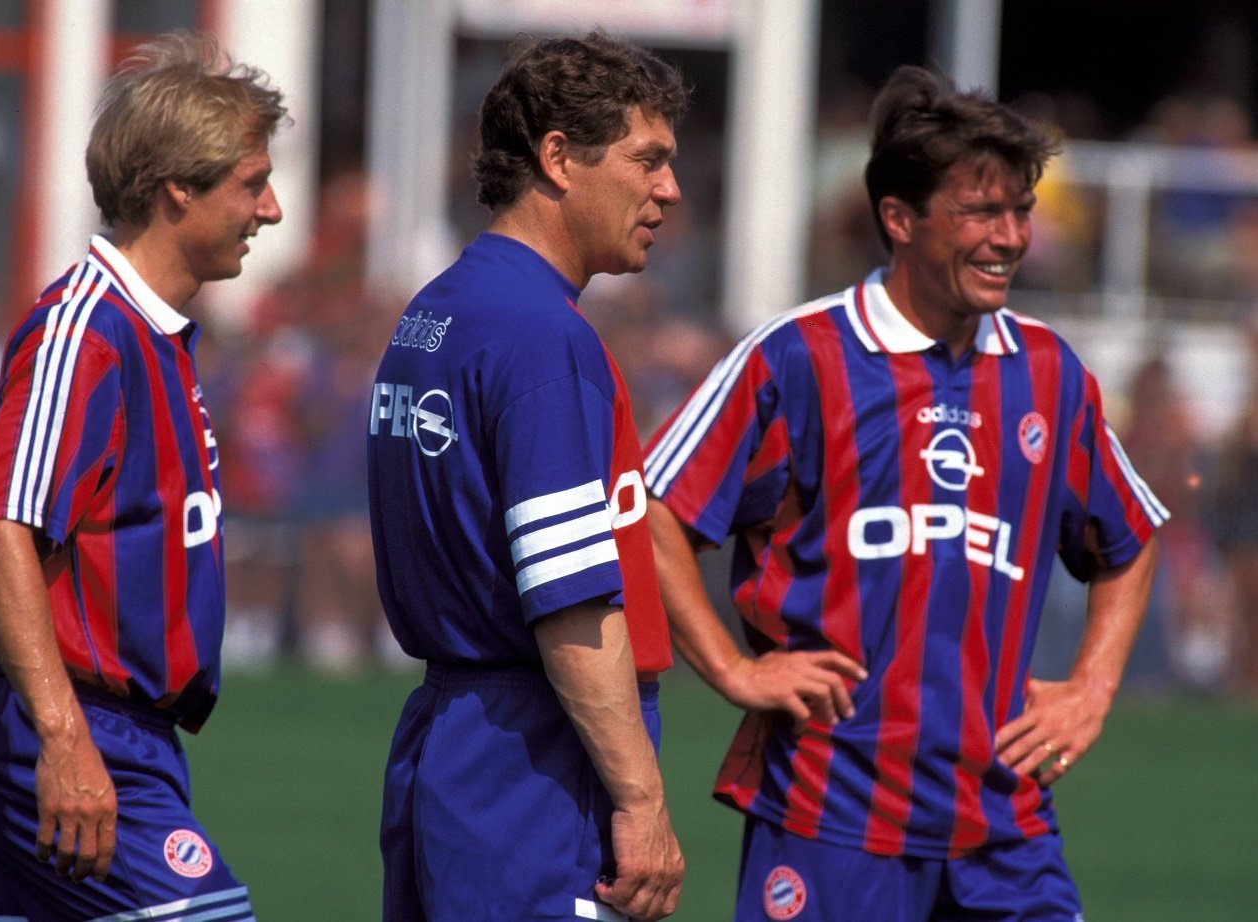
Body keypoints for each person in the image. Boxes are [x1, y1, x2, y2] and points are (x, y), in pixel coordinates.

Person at [644, 65, 1167, 921]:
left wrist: (1091, 688)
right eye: (979, 212)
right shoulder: (799, 357)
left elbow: (1130, 536)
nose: (1009, 237)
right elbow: (657, 511)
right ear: (899, 219)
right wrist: (737, 670)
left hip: (1003, 824)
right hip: (831, 815)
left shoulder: (1047, 374)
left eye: (1020, 212)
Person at [0, 31, 285, 921]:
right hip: (67, 732)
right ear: (180, 187)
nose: (273, 210)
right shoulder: (86, 332)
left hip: (128, 739)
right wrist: (65, 741)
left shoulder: (157, 336)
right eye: (252, 184)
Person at [367, 31, 687, 922]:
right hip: (533, 764)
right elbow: (570, 603)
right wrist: (642, 800)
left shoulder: (433, 312)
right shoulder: (542, 336)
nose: (667, 190)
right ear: (558, 158)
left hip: (447, 743)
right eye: (647, 160)